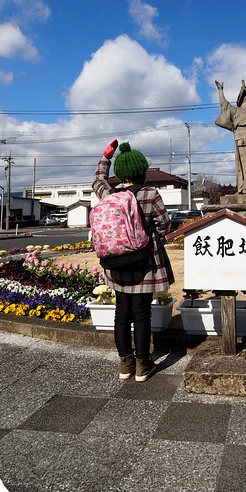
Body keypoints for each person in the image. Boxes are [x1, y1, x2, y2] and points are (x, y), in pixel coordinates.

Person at [92, 140, 172, 382]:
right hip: (144, 262)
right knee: (142, 313)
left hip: (116, 263)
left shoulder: (110, 194)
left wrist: (107, 156)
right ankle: (142, 364)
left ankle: (124, 364)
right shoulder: (149, 194)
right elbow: (164, 224)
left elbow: (97, 180)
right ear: (141, 171)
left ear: (121, 173)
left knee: (121, 312)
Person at [215, 79, 246, 194]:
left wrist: (220, 91)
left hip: (242, 138)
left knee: (243, 167)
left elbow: (224, 105)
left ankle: (244, 189)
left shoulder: (239, 111)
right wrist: (220, 91)